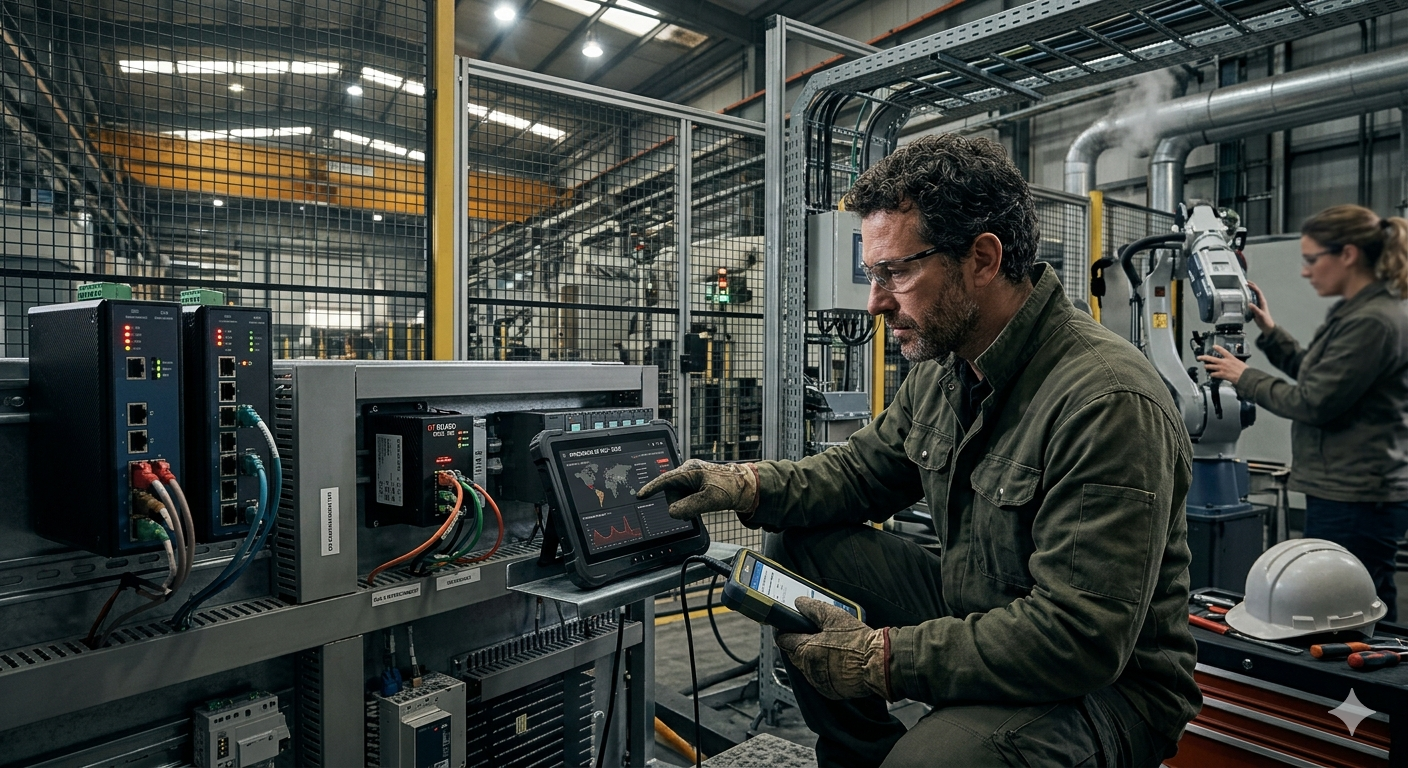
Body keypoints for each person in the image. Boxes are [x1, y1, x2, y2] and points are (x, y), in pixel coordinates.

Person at [640, 134, 1200, 768]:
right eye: (872, 273)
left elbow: (1079, 637)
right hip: (983, 610)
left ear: (983, 259)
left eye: (895, 272)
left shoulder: (1105, 400)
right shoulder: (946, 367)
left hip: (1106, 687)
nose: (876, 302)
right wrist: (746, 485)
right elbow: (859, 473)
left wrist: (884, 659)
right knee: (798, 550)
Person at [1200, 205, 1408, 621]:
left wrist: (1244, 377)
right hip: (1353, 489)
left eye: (1312, 260)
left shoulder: (1372, 321)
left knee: (1354, 606)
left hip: (1355, 497)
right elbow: (1321, 375)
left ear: (1347, 254)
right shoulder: (1361, 312)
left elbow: (1312, 402)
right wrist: (1271, 332)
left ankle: (1367, 682)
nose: (1305, 271)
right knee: (1350, 600)